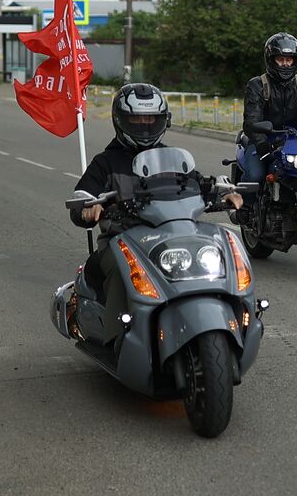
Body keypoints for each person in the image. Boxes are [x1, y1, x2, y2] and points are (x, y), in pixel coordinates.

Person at [69, 83, 241, 344]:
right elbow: (82, 195)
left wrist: (222, 193)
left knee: (215, 254)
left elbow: (196, 182)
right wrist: (88, 206)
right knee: (121, 267)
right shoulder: (105, 162)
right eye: (137, 118)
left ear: (163, 120)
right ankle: (117, 339)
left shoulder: (171, 158)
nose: (145, 124)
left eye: (151, 118)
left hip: (172, 236)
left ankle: (228, 316)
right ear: (121, 120)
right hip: (122, 240)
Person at [238, 32, 297, 185]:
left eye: (289, 59)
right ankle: (243, 207)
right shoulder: (257, 85)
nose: (285, 64)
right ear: (271, 60)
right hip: (263, 141)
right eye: (280, 59)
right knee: (255, 177)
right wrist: (263, 144)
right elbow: (251, 121)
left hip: (296, 140)